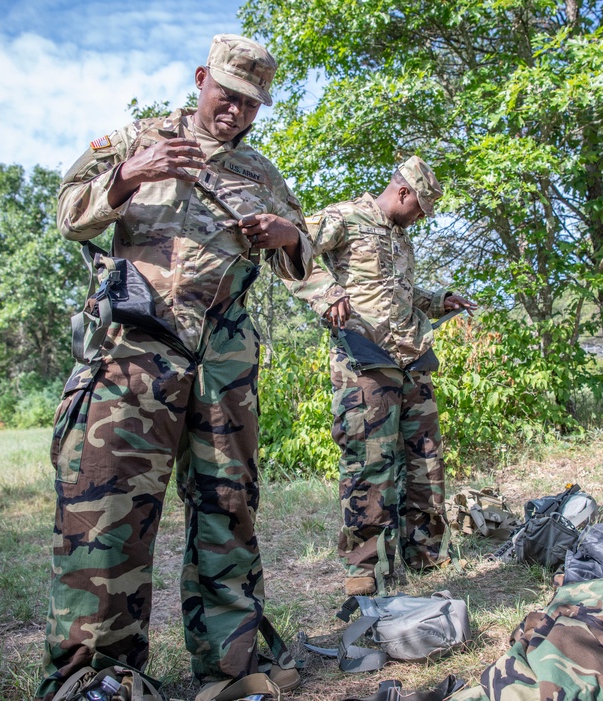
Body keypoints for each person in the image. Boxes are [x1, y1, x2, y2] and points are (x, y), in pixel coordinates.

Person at [38, 35, 312, 699]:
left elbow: (302, 250)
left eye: (252, 104)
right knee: (106, 507)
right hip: (135, 351)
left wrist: (287, 237)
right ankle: (97, 676)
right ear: (200, 79)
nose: (238, 112)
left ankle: (230, 665)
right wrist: (132, 173)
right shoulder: (140, 137)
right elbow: (67, 210)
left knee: (228, 510)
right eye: (229, 95)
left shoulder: (263, 172)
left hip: (225, 365)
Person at [286, 156, 476, 596]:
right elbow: (292, 250)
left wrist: (440, 300)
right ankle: (365, 565)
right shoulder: (344, 217)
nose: (421, 219)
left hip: (412, 361)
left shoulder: (402, 241)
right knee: (369, 463)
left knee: (425, 459)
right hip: (365, 359)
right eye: (421, 210)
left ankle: (425, 551)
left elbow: (399, 298)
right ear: (405, 192)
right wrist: (326, 293)